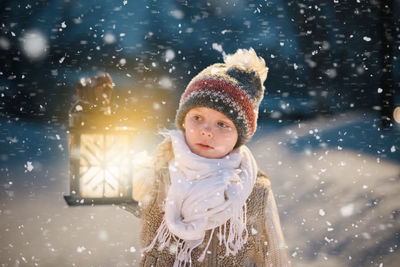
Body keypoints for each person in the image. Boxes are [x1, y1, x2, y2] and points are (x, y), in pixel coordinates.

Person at [77, 48, 291, 267]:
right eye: (197, 117)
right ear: (183, 122)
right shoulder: (159, 174)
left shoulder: (255, 192)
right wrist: (92, 119)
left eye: (222, 124)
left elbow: (275, 258)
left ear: (239, 136)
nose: (206, 131)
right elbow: (102, 183)